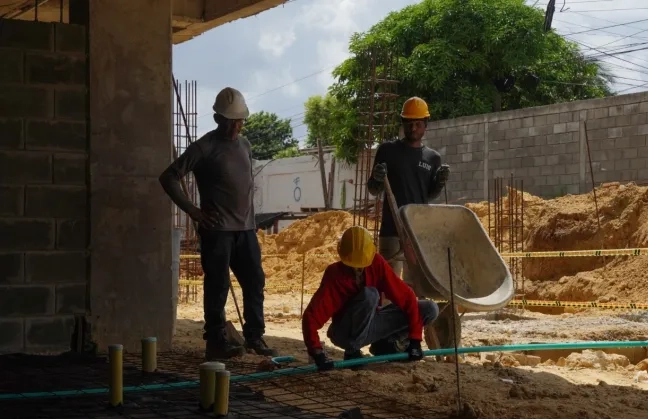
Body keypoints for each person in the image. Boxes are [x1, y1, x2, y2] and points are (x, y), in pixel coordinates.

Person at [159, 86, 278, 361]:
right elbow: (169, 177)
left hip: (245, 230)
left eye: (239, 122)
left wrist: (250, 220)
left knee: (254, 280)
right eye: (231, 122)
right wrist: (193, 211)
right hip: (217, 232)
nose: (236, 128)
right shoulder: (205, 147)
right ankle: (215, 340)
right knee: (218, 285)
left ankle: (254, 336)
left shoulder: (245, 146)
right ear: (218, 120)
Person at [302, 226, 440, 369]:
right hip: (344, 333)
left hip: (370, 324)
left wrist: (415, 340)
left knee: (430, 309)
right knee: (370, 295)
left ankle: (386, 344)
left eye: (361, 265)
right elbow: (311, 317)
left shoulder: (376, 263)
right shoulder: (335, 274)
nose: (358, 270)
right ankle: (352, 350)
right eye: (353, 266)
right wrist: (317, 352)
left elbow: (407, 297)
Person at [366, 97, 450, 283]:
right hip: (391, 231)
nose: (413, 129)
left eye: (418, 124)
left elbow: (428, 195)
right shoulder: (387, 151)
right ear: (403, 123)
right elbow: (373, 189)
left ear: (426, 125)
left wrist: (439, 183)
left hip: (417, 232)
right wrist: (378, 178)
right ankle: (387, 313)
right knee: (387, 287)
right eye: (409, 124)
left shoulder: (432, 158)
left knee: (417, 287)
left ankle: (415, 313)